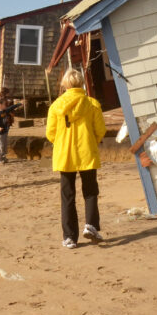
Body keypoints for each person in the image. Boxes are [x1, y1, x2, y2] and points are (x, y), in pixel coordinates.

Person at [46, 68, 107, 249]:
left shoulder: (56, 105)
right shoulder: (92, 104)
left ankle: (69, 236)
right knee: (90, 191)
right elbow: (100, 130)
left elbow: (50, 133)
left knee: (67, 195)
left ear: (65, 84)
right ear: (81, 83)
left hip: (65, 155)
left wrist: (61, 142)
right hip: (86, 151)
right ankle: (91, 225)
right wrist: (91, 141)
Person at [0, 98, 21, 164]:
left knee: (4, 145)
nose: (6, 105)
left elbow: (11, 108)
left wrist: (19, 104)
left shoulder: (5, 111)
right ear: (0, 105)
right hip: (0, 133)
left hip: (5, 132)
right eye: (4, 104)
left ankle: (3, 157)